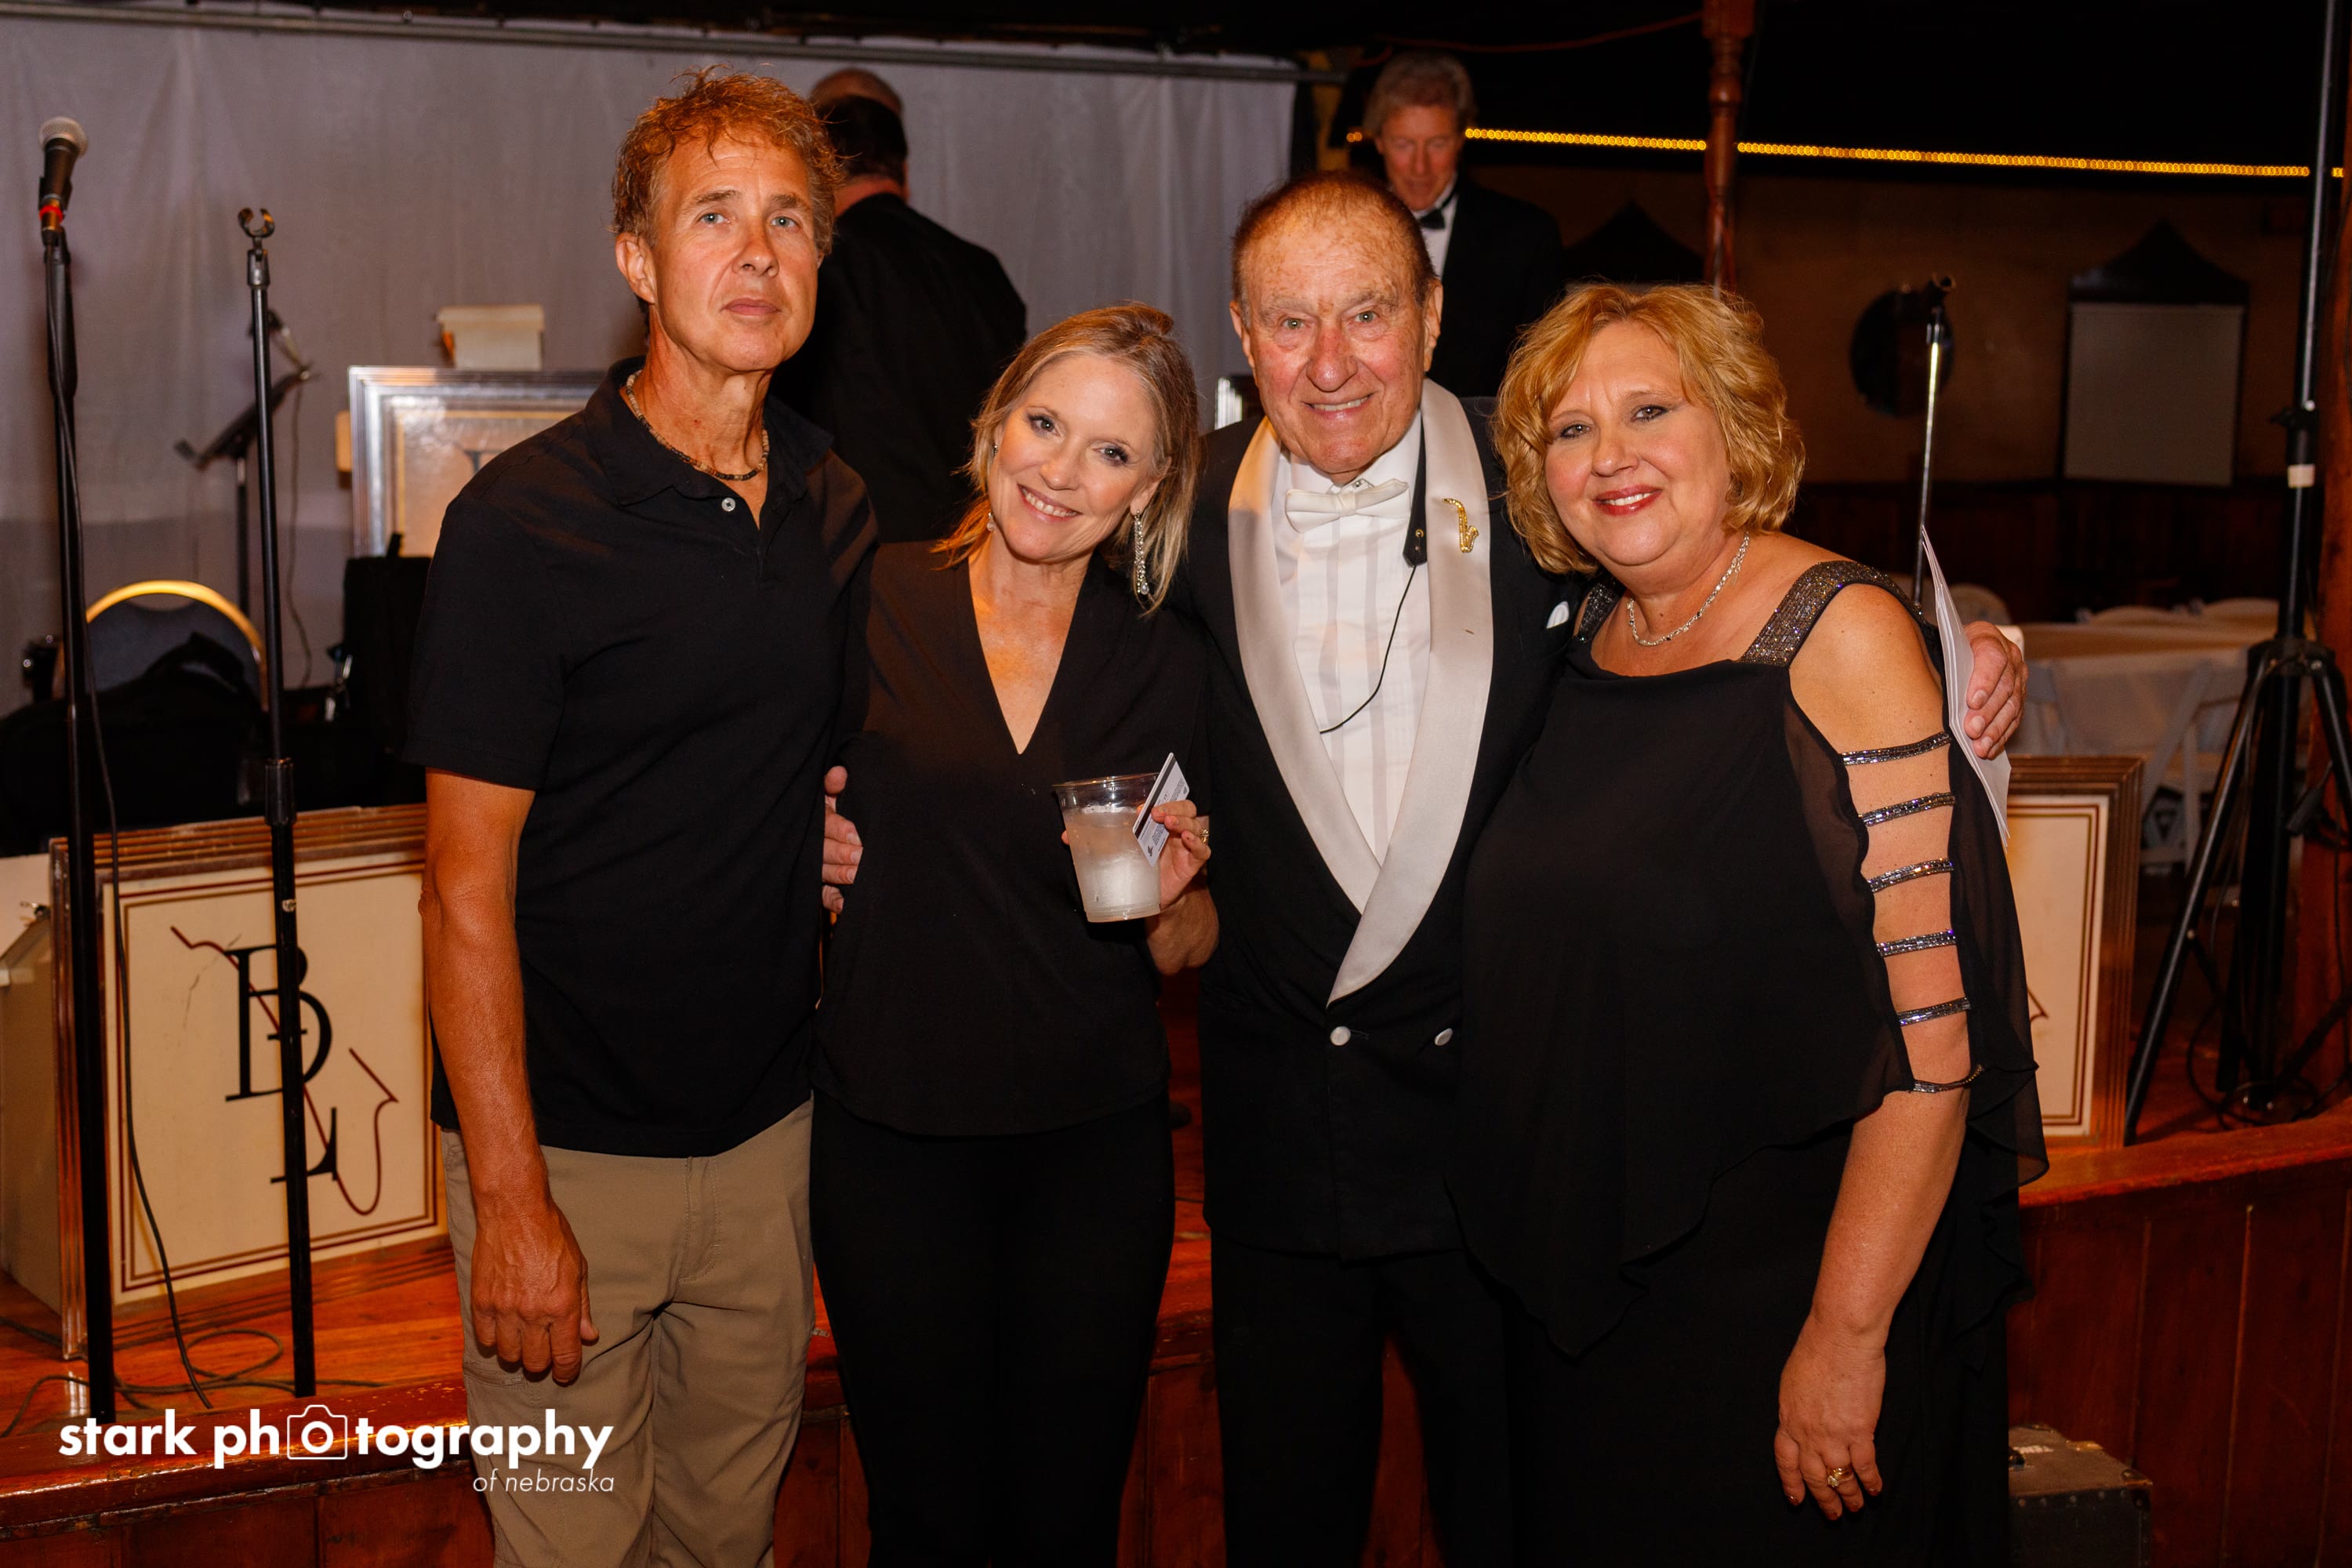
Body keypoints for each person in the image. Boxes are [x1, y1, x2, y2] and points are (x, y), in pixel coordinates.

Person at [823, 172, 2026, 1565]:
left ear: (1434, 314)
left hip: (1504, 1142)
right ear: (1243, 333)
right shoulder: (1168, 500)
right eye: (1289, 322)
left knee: (1515, 1522)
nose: (1330, 362)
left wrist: (1961, 637)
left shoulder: (1547, 478)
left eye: (1368, 314)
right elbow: (1015, 650)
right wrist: (834, 825)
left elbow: (1717, 563)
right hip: (1279, 1143)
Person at [1450, 282, 2045, 1563]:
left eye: (1649, 411)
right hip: (1603, 1293)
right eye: (1570, 429)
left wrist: (1845, 1336)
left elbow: (1934, 1046)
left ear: (1734, 429)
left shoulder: (1842, 637)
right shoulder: (1590, 636)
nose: (1610, 455)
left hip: (1783, 1296)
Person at [408, 67, 871, 1566]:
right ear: (638, 259)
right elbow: (460, 889)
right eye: (714, 216)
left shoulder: (835, 506)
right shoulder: (522, 525)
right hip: (567, 1160)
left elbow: (825, 769)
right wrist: (511, 1200)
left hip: (768, 1147)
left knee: (727, 1546)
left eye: (790, 219)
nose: (759, 253)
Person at [809, 304, 1215, 1563]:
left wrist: (1174, 897)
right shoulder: (865, 598)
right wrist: (795, 847)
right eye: (1045, 424)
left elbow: (1189, 946)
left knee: (1065, 1521)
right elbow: (754, 794)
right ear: (994, 424)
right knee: (925, 1521)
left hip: (1090, 1155)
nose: (1061, 471)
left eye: (1111, 452)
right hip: (894, 1139)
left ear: (1150, 488)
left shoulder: (1171, 661)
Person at [774, 93, 1028, 543]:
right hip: (975, 538)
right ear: (903, 171)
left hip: (861, 542)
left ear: (818, 175)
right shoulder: (982, 270)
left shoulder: (817, 268)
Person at [1365, 50, 1563, 400]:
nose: (1420, 167)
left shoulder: (1526, 236)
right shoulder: (1344, 232)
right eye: (1404, 144)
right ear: (1379, 141)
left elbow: (1545, 372)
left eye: (1437, 144)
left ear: (1460, 139)